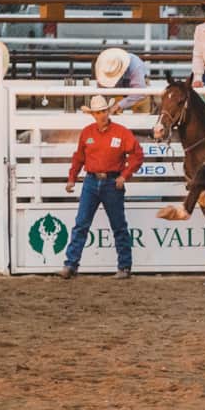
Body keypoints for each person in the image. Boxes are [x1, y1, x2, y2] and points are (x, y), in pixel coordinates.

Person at [60, 95, 143, 279]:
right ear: (93, 114)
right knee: (81, 223)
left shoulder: (121, 132)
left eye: (104, 111)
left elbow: (137, 154)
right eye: (98, 112)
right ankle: (71, 264)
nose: (102, 115)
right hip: (91, 181)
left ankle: (124, 266)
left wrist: (124, 175)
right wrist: (72, 177)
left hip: (112, 182)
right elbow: (79, 157)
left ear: (108, 111)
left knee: (118, 225)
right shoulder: (87, 133)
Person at [95, 48, 149, 113]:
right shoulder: (105, 66)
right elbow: (101, 87)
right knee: (112, 114)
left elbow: (140, 92)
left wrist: (118, 105)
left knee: (143, 116)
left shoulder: (135, 65)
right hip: (117, 91)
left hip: (139, 92)